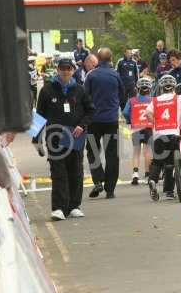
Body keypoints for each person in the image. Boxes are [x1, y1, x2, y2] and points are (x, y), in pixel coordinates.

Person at [32, 58, 95, 221]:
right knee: (58, 172)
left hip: (76, 138)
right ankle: (59, 207)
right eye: (62, 69)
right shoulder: (46, 90)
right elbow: (39, 116)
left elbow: (90, 111)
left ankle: (74, 206)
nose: (65, 72)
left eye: (68, 69)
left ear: (73, 70)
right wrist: (36, 139)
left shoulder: (80, 90)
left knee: (76, 172)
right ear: (57, 70)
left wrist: (82, 125)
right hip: (55, 138)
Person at [145, 75, 181, 201]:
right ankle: (169, 192)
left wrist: (154, 123)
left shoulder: (155, 100)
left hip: (159, 134)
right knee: (171, 163)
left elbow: (147, 113)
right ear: (174, 86)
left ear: (161, 87)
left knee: (158, 161)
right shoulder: (178, 98)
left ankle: (153, 180)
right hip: (174, 133)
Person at [85, 47, 126, 199]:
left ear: (98, 59)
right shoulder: (115, 75)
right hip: (111, 120)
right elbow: (123, 97)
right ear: (110, 59)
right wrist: (123, 111)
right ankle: (110, 189)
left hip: (94, 120)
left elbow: (85, 96)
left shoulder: (91, 75)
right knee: (111, 154)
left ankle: (98, 179)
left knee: (93, 150)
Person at [122, 78, 153, 185]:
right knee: (147, 151)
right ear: (150, 89)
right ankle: (148, 174)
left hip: (136, 127)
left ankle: (135, 173)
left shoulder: (132, 100)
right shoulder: (152, 100)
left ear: (138, 89)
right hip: (148, 126)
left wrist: (129, 120)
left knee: (136, 151)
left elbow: (125, 112)